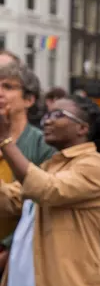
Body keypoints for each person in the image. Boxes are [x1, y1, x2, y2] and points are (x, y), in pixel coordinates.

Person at [0, 95, 100, 286]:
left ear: (82, 128)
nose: (47, 121)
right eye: (46, 115)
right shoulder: (50, 166)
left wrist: (5, 141)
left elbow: (48, 190)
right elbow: (10, 200)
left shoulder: (94, 165)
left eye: (58, 115)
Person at [0, 63, 55, 272]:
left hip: (20, 255)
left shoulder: (43, 144)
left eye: (8, 87)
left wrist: (8, 248)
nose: (0, 92)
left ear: (29, 100)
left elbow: (38, 204)